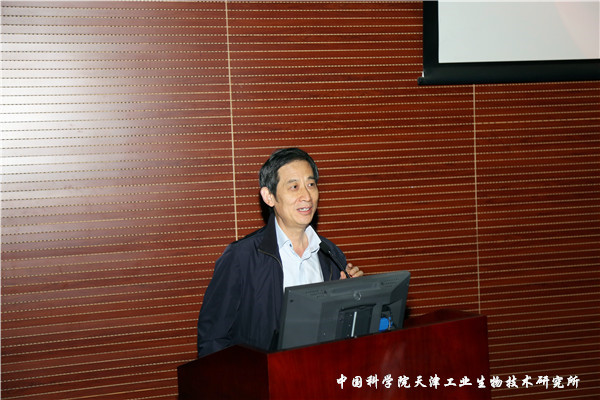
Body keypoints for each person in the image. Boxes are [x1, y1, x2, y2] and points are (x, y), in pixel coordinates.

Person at [197, 148, 362, 357]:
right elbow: (212, 340)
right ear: (269, 196)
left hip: (320, 370)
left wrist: (352, 297)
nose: (306, 196)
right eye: (294, 187)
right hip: (261, 375)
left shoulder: (330, 254)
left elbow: (339, 332)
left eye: (311, 184)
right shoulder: (241, 257)